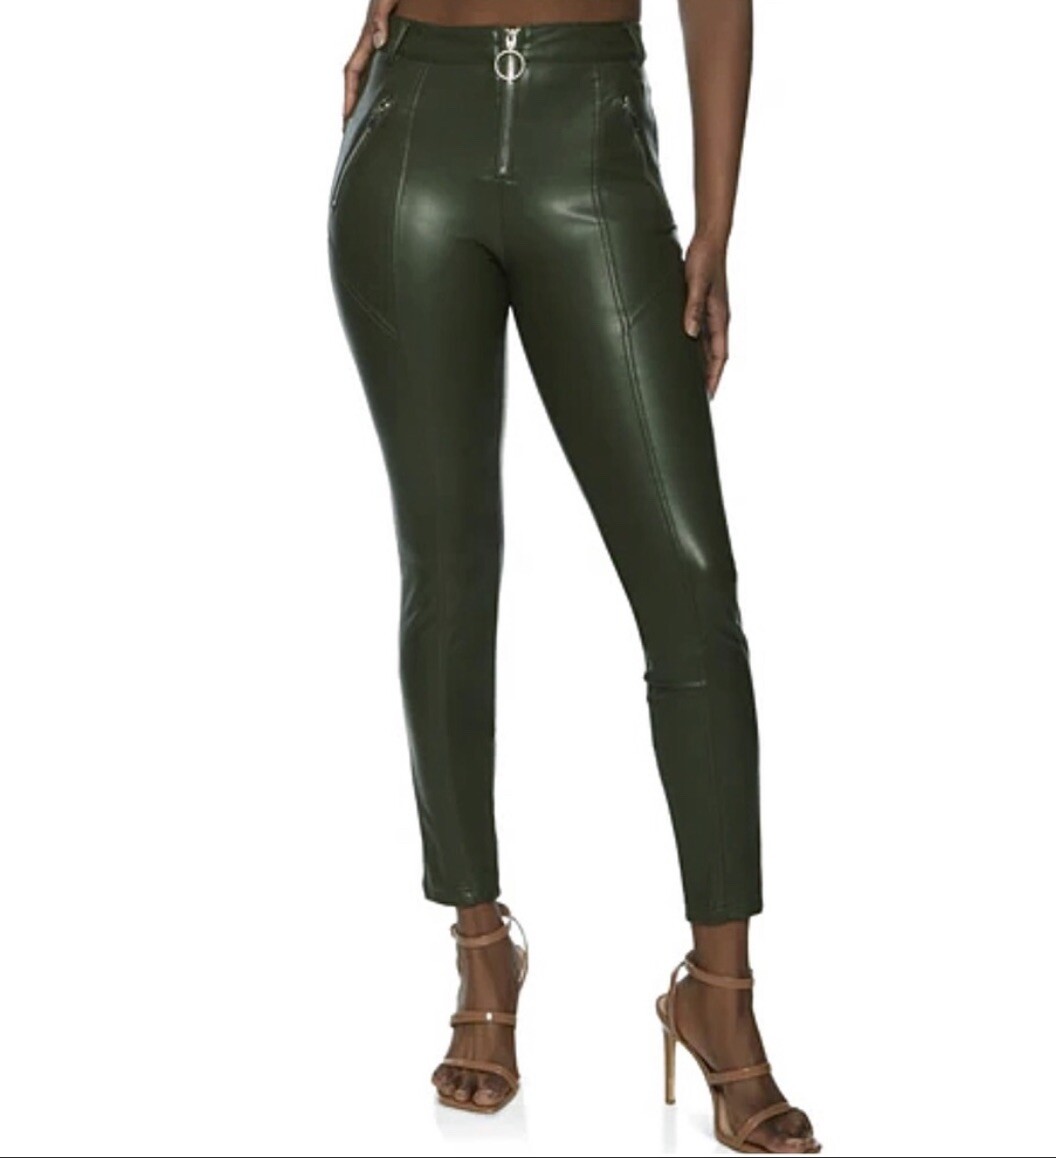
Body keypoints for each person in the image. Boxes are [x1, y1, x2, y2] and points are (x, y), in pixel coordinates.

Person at [327, 1, 819, 1152]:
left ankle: (721, 997)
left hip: (589, 136)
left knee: (690, 589)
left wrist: (714, 225)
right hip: (414, 134)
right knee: (447, 569)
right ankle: (479, 947)